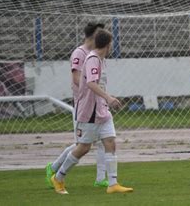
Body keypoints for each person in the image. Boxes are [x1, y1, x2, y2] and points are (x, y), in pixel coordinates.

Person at [50, 29, 133, 194]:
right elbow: (91, 84)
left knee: (110, 142)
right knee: (83, 148)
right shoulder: (93, 59)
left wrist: (106, 99)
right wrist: (108, 97)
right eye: (112, 43)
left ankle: (113, 184)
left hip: (102, 111)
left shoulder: (101, 60)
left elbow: (98, 84)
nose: (112, 46)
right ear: (108, 45)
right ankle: (58, 177)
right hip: (89, 112)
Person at [45, 23, 110, 189]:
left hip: (97, 105)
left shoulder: (96, 54)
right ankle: (53, 169)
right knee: (81, 145)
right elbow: (76, 78)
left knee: (103, 141)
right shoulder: (80, 53)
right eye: (100, 32)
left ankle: (101, 178)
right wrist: (91, 89)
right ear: (93, 35)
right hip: (84, 106)